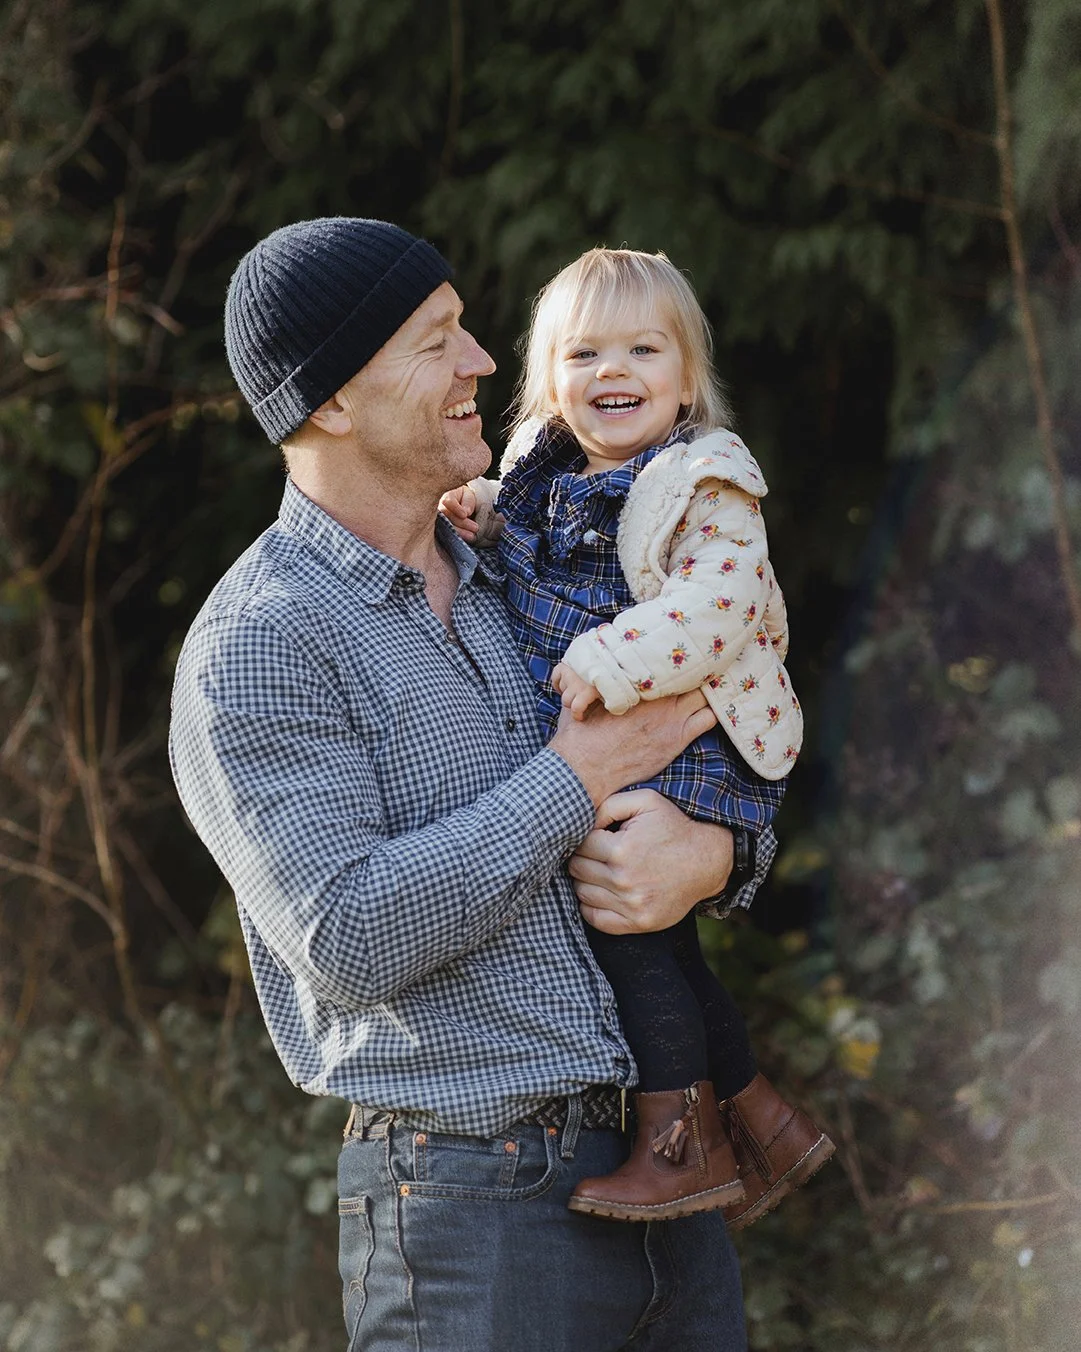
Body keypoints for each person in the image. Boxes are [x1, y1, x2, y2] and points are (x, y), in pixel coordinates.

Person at [168, 217, 755, 1351]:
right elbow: (345, 934)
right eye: (436, 340)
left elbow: (704, 746)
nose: (482, 362)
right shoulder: (262, 644)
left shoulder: (528, 565)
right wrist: (571, 779)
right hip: (473, 1206)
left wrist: (719, 857)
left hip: (668, 1170)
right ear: (334, 403)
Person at [440, 247, 833, 1225]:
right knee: (658, 938)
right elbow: (527, 550)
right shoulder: (542, 469)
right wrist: (483, 516)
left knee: (627, 934)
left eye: (641, 350)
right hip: (620, 737)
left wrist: (615, 659)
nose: (611, 370)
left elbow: (722, 603)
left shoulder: (704, 480)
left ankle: (681, 1144)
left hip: (689, 734)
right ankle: (764, 1121)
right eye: (583, 354)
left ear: (686, 379)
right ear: (549, 381)